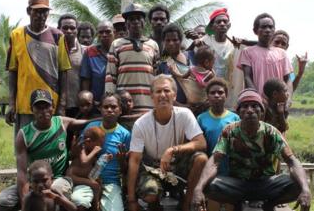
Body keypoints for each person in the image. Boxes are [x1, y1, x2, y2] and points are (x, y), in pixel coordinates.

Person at [192, 89, 311, 211]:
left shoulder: (271, 132)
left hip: (266, 183)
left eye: (255, 106)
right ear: (239, 112)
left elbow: (292, 161)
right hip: (238, 185)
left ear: (262, 113)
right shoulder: (229, 131)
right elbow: (214, 161)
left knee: (298, 184)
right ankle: (237, 203)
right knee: (208, 186)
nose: (249, 110)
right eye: (245, 106)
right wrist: (198, 188)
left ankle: (270, 204)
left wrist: (305, 190)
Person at [0, 89, 90, 211]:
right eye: (38, 107)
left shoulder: (62, 122)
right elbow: (22, 172)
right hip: (35, 182)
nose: (43, 111)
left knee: (51, 194)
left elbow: (84, 123)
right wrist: (24, 203)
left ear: (52, 106)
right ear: (32, 109)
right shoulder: (24, 135)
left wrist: (105, 118)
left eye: (46, 106)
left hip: (59, 179)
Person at [128, 74, 208, 211]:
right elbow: (134, 161)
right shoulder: (140, 124)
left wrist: (172, 150)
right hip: (153, 169)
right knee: (150, 193)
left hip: (177, 166)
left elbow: (201, 143)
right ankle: (154, 205)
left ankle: (186, 204)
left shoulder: (185, 114)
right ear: (151, 96)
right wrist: (131, 200)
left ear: (174, 95)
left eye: (166, 90)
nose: (163, 95)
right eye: (158, 91)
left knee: (201, 158)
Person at [5, 0, 70, 137]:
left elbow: (63, 71)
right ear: (29, 11)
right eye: (37, 11)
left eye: (44, 11)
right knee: (26, 148)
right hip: (25, 106)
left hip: (50, 107)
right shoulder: (16, 35)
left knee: (49, 149)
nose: (41, 15)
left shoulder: (57, 36)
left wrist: (62, 106)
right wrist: (11, 104)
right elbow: (12, 71)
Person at [71, 93, 131, 211]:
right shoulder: (91, 127)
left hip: (111, 183)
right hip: (87, 180)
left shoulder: (125, 134)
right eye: (106, 107)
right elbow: (76, 155)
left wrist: (122, 161)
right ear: (100, 109)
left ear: (120, 110)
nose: (109, 110)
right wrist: (75, 149)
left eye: (113, 107)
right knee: (79, 201)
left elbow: (126, 170)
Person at [105, 3, 160, 112]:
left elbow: (156, 76)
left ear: (144, 23)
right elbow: (110, 76)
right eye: (131, 19)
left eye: (139, 18)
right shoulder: (116, 44)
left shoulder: (153, 45)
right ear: (126, 24)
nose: (135, 22)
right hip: (124, 104)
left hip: (147, 104)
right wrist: (111, 100)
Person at [238, 13, 293, 102]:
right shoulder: (247, 52)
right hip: (258, 104)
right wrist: (258, 98)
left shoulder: (282, 53)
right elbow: (247, 77)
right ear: (255, 31)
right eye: (263, 27)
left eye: (271, 27)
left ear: (274, 30)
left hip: (278, 103)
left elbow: (288, 79)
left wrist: (288, 99)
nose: (267, 30)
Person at [158, 24, 208, 114]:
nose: (171, 43)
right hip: (177, 112)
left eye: (175, 40)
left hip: (201, 109)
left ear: (180, 41)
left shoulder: (193, 55)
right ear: (163, 42)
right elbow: (162, 92)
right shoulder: (163, 65)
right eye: (168, 40)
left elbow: (207, 75)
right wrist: (182, 106)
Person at [196, 78, 240, 175]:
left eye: (220, 92)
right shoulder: (201, 118)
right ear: (208, 96)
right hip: (208, 169)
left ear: (226, 95)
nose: (216, 95)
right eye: (212, 93)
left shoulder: (235, 118)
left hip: (231, 171)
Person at [67, 126, 108, 211]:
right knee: (95, 185)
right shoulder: (82, 148)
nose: (101, 147)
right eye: (99, 144)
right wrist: (94, 151)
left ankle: (96, 202)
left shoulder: (91, 150)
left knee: (98, 183)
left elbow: (95, 166)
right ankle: (95, 205)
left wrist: (105, 159)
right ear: (88, 141)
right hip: (73, 176)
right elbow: (84, 162)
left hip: (84, 177)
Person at [80, 21, 115, 103]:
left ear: (114, 32)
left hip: (116, 103)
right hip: (96, 103)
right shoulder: (90, 51)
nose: (104, 35)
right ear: (97, 35)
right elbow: (86, 79)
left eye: (107, 32)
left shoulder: (119, 50)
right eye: (101, 32)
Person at [57, 14, 84, 117]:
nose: (68, 31)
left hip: (77, 106)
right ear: (58, 29)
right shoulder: (52, 51)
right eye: (65, 28)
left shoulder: (84, 51)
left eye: (72, 28)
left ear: (77, 30)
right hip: (55, 104)